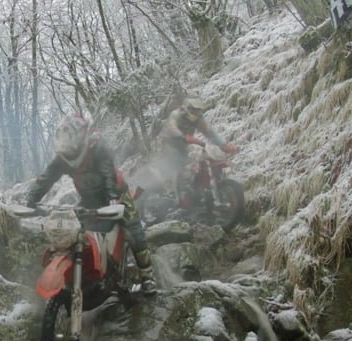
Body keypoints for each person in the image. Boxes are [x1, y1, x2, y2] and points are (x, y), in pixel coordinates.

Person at [26, 114, 157, 295]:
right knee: (77, 234)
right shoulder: (63, 157)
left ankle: (147, 275)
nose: (69, 154)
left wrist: (112, 199)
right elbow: (46, 178)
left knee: (134, 230)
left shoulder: (97, 149)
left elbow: (108, 174)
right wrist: (30, 200)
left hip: (117, 196)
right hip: (89, 200)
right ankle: (85, 276)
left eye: (71, 148)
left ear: (81, 139)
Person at [158, 97, 239, 202]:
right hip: (169, 144)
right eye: (193, 110)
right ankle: (174, 195)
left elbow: (210, 133)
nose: (195, 113)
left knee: (192, 168)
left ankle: (194, 193)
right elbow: (172, 127)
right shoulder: (176, 114)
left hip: (184, 145)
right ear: (187, 108)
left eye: (198, 110)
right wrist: (183, 136)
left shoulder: (198, 119)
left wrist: (224, 146)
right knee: (178, 165)